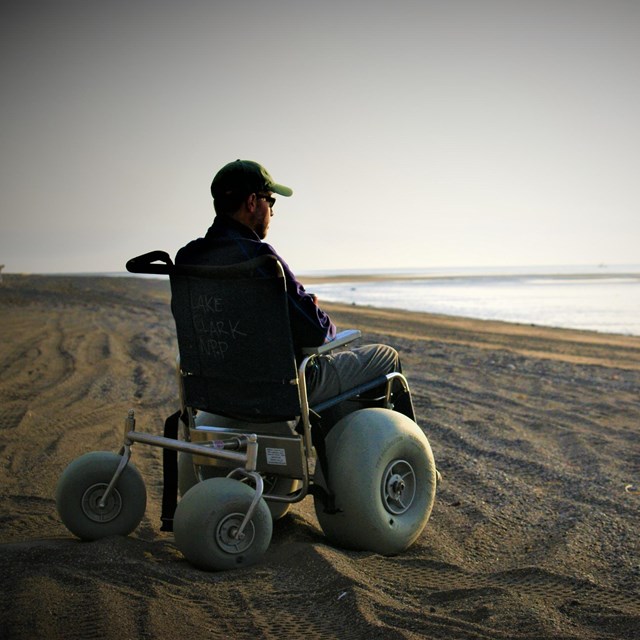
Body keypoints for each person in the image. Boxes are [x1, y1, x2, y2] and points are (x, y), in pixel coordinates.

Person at [175, 159, 415, 424]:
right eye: (271, 201)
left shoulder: (188, 257)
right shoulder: (259, 259)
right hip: (278, 391)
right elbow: (317, 331)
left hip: (213, 391)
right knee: (385, 356)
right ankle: (411, 457)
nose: (273, 212)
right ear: (252, 202)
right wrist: (310, 309)